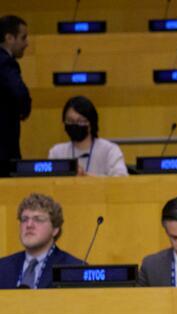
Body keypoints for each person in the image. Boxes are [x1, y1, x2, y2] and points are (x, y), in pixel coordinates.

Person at [0, 194, 84, 289]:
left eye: (38, 219)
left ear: (55, 229)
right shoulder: (2, 267)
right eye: (24, 219)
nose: (29, 225)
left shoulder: (74, 269)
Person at [47, 96, 128, 177]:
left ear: (91, 123)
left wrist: (86, 176)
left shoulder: (110, 150)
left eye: (80, 121)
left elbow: (121, 178)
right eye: (70, 121)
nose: (75, 125)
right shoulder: (57, 152)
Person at [0, 15, 31, 176]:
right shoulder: (5, 62)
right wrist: (25, 110)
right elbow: (19, 92)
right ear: (9, 38)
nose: (27, 43)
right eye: (23, 38)